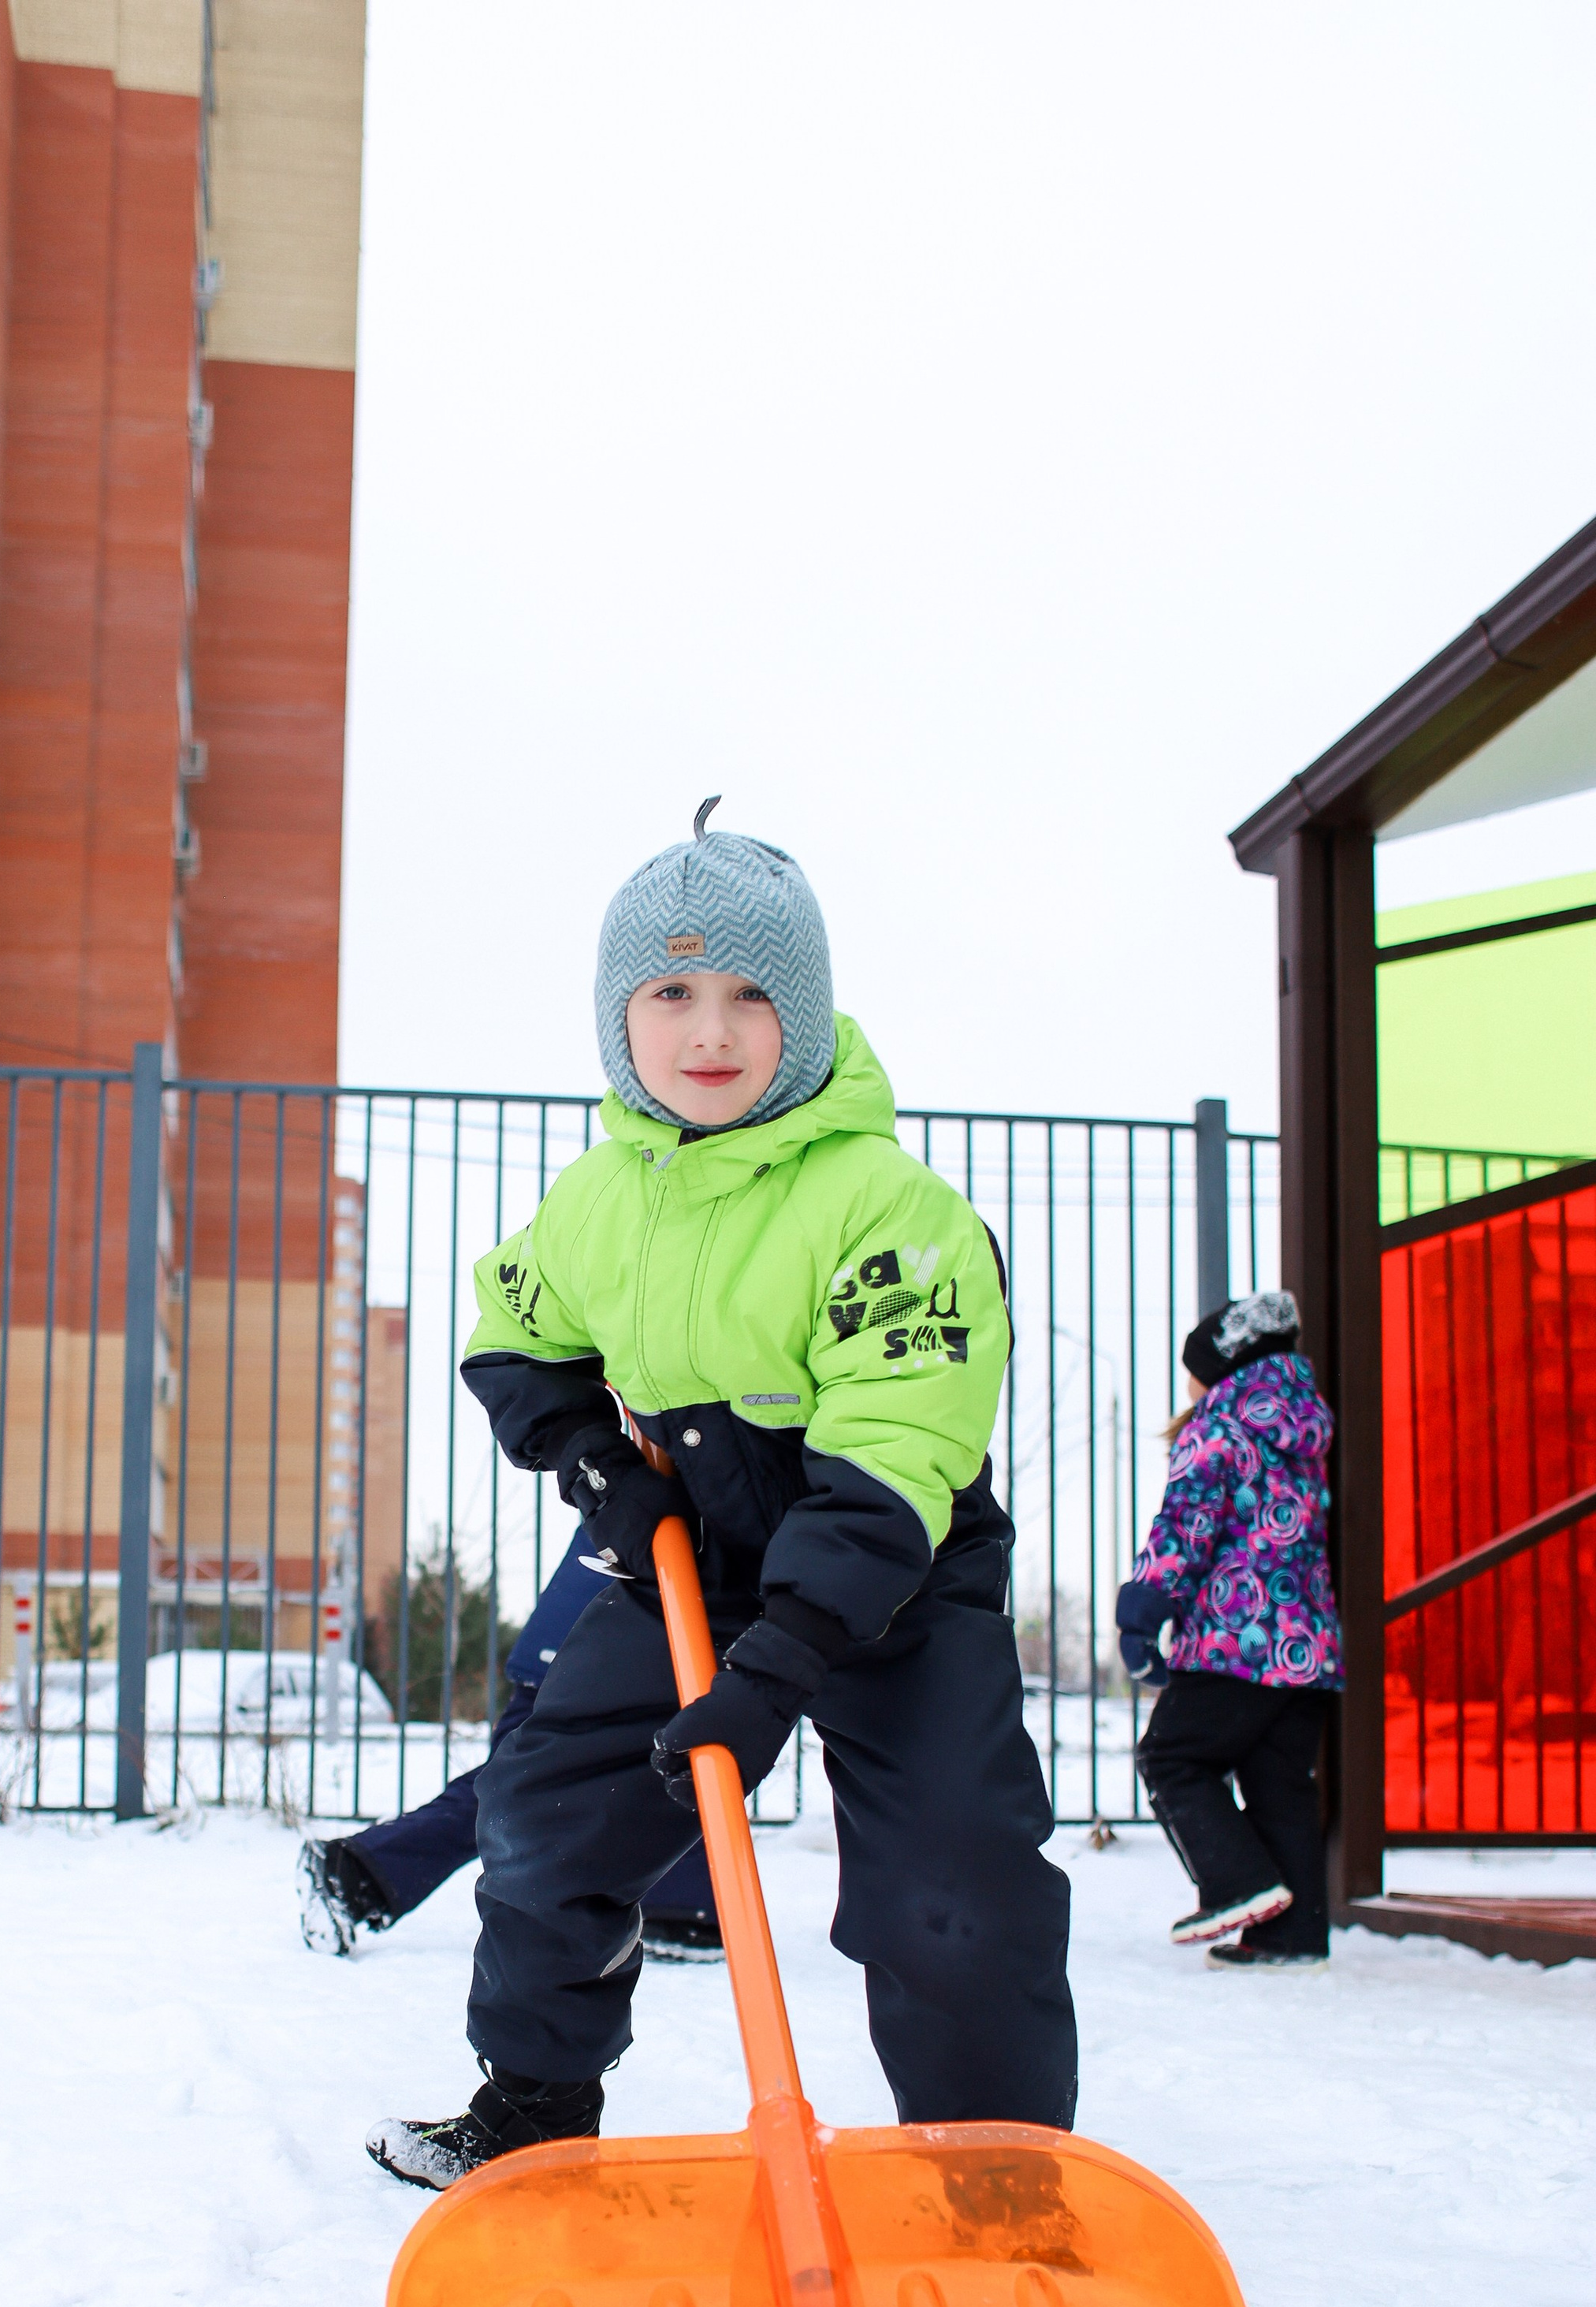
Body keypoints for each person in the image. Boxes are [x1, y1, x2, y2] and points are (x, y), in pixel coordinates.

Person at [366, 802, 1077, 2191]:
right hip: (693, 1557)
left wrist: (788, 1657)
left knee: (952, 1887)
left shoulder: (890, 1205)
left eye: (753, 994)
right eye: (671, 992)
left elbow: (891, 1453)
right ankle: (533, 2117)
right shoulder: (599, 1199)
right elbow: (512, 1331)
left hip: (898, 1581)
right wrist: (597, 1472)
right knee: (547, 1813)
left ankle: (993, 2177)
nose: (710, 1029)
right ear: (617, 1020)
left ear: (804, 1017)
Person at [296, 1525, 723, 1963]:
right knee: (520, 1788)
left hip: (618, 1631)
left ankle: (684, 1903)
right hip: (608, 1636)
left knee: (545, 1783)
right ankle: (355, 1873)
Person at [1114, 1291, 1343, 1967]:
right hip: (1309, 1654)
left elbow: (1185, 1527)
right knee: (1280, 1785)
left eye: (1193, 1367)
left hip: (1234, 1645)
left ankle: (1235, 1884)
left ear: (1220, 1364)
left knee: (1171, 1758)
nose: (1188, 1382)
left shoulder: (1220, 1427)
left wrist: (1143, 1610)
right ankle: (1293, 1935)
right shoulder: (1307, 1428)